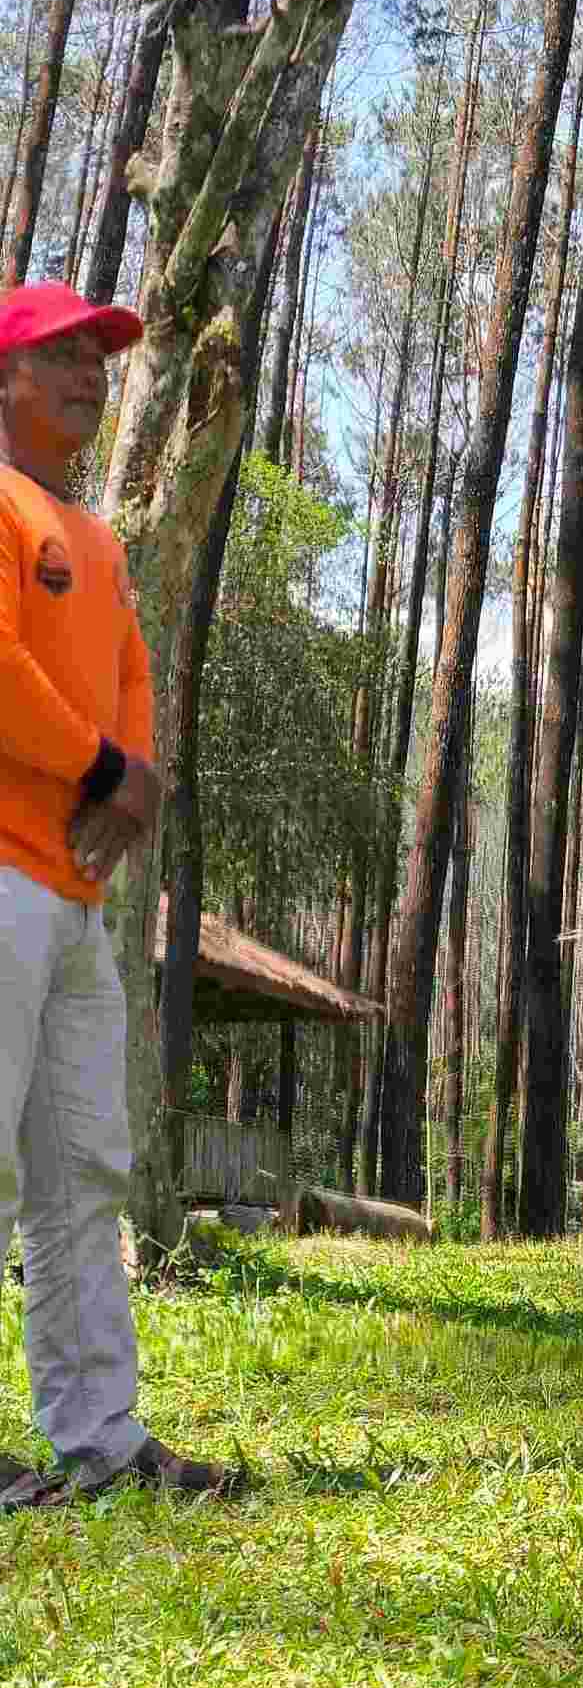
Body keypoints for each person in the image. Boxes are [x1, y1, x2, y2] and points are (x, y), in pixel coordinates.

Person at [0, 282, 243, 1512]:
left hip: (76, 895)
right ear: (4, 381)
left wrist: (134, 783)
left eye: (100, 356)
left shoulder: (93, 536)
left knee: (82, 1174)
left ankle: (99, 1433)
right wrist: (102, 766)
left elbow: (132, 673)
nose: (92, 374)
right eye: (63, 355)